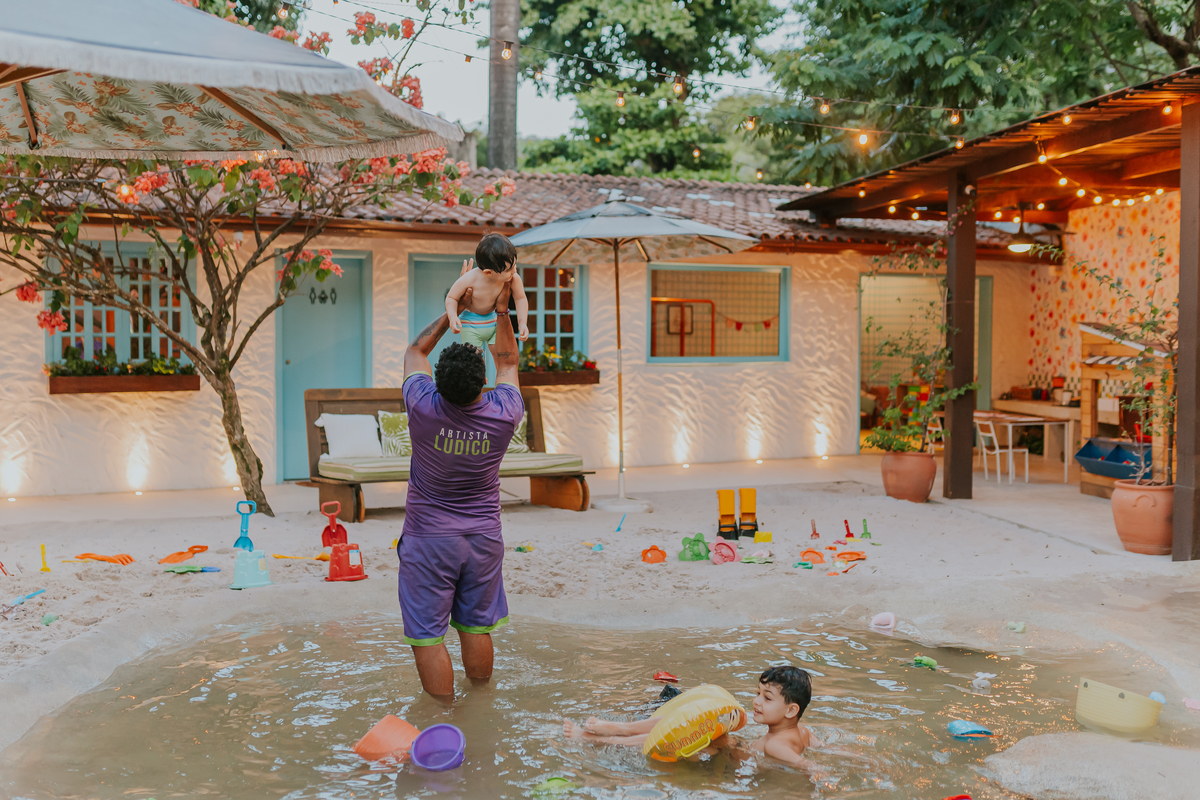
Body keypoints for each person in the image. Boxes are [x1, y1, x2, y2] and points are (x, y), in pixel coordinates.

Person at [399, 268, 523, 698]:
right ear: (481, 386)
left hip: (429, 540)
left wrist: (455, 307)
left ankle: (442, 722)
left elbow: (416, 350)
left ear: (438, 384)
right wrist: (500, 310)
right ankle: (482, 706)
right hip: (484, 539)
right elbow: (507, 360)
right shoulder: (504, 412)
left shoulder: (422, 407)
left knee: (428, 637)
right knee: (475, 624)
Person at [562, 666, 816, 767]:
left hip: (726, 763)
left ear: (791, 710)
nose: (756, 701)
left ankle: (595, 737)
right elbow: (822, 748)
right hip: (730, 749)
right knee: (686, 723)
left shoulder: (775, 744)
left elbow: (806, 765)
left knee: (676, 731)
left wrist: (821, 776)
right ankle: (620, 728)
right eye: (757, 693)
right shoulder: (802, 733)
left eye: (767, 698)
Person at [445, 232, 530, 348]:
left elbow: (520, 298)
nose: (514, 271)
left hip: (494, 320)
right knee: (473, 361)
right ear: (489, 272)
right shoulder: (470, 278)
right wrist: (453, 316)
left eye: (515, 265)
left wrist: (522, 323)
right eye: (509, 269)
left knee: (501, 357)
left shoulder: (513, 277)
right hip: (471, 323)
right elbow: (451, 297)